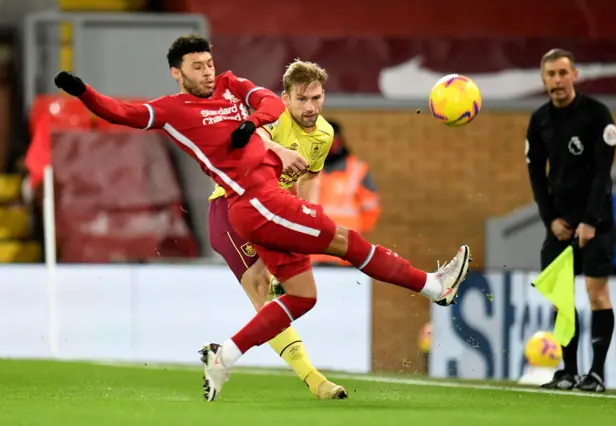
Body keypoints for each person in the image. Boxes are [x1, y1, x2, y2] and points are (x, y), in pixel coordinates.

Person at [53, 34, 471, 402]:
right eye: (197, 67)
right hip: (253, 200)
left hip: (267, 201)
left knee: (303, 296)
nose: (207, 72)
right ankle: (434, 287)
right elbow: (119, 113)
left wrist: (250, 124)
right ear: (176, 75)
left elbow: (268, 102)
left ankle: (224, 355)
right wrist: (84, 92)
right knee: (347, 242)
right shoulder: (172, 111)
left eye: (209, 64)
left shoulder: (233, 87)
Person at [207, 59, 346, 400]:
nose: (310, 107)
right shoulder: (273, 118)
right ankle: (315, 381)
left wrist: (309, 218)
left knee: (292, 294)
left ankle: (220, 355)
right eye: (302, 99)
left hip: (269, 212)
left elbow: (310, 176)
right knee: (261, 289)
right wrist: (280, 150)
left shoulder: (325, 135)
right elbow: (250, 139)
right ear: (285, 98)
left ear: (323, 95)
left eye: (315, 98)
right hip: (230, 207)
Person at [526, 48, 616, 393]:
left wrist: (590, 221)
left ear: (575, 75)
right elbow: (536, 174)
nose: (557, 81)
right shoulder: (540, 120)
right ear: (543, 79)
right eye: (551, 75)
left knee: (597, 295)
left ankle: (595, 374)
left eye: (563, 73)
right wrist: (551, 220)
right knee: (561, 299)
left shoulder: (598, 116)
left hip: (597, 223)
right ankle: (568, 371)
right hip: (560, 225)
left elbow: (602, 174)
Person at [310, 119, 380, 265]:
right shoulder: (305, 169)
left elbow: (371, 210)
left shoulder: (357, 170)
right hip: (312, 256)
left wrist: (356, 236)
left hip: (346, 256)